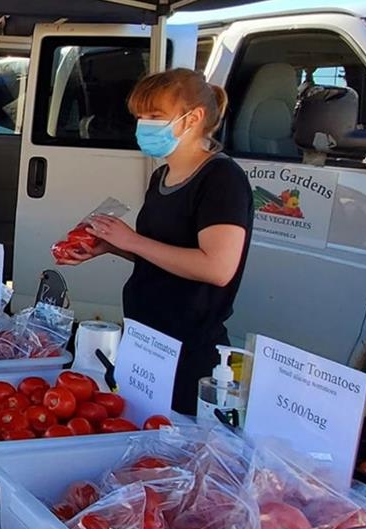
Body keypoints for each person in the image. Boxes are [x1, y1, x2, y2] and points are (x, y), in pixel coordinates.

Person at [64, 68, 253, 415]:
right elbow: (163, 253)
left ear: (193, 118)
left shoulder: (222, 179)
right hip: (146, 338)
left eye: (155, 116)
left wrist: (133, 241)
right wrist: (111, 245)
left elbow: (217, 267)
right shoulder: (162, 176)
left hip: (188, 348)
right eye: (140, 116)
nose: (144, 125)